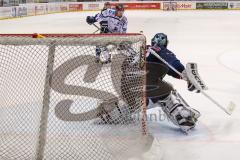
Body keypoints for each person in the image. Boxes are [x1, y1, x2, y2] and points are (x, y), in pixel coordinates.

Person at [145, 33, 201, 133]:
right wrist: (186, 74)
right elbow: (172, 62)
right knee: (167, 91)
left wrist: (185, 78)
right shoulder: (159, 50)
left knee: (159, 86)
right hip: (145, 94)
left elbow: (171, 70)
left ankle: (116, 112)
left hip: (129, 91)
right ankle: (183, 118)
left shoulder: (144, 50)